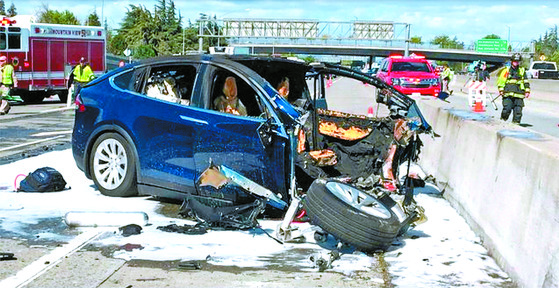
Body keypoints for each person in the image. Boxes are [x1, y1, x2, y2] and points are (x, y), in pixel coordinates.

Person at [497, 53, 530, 124]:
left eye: (517, 61)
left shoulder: (522, 70)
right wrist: (501, 89)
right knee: (507, 109)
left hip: (519, 94)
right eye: (515, 61)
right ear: (512, 61)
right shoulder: (506, 70)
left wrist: (527, 91)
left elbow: (525, 81)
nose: (516, 62)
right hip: (508, 94)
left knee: (518, 112)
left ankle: (516, 126)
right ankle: (502, 122)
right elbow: (501, 80)